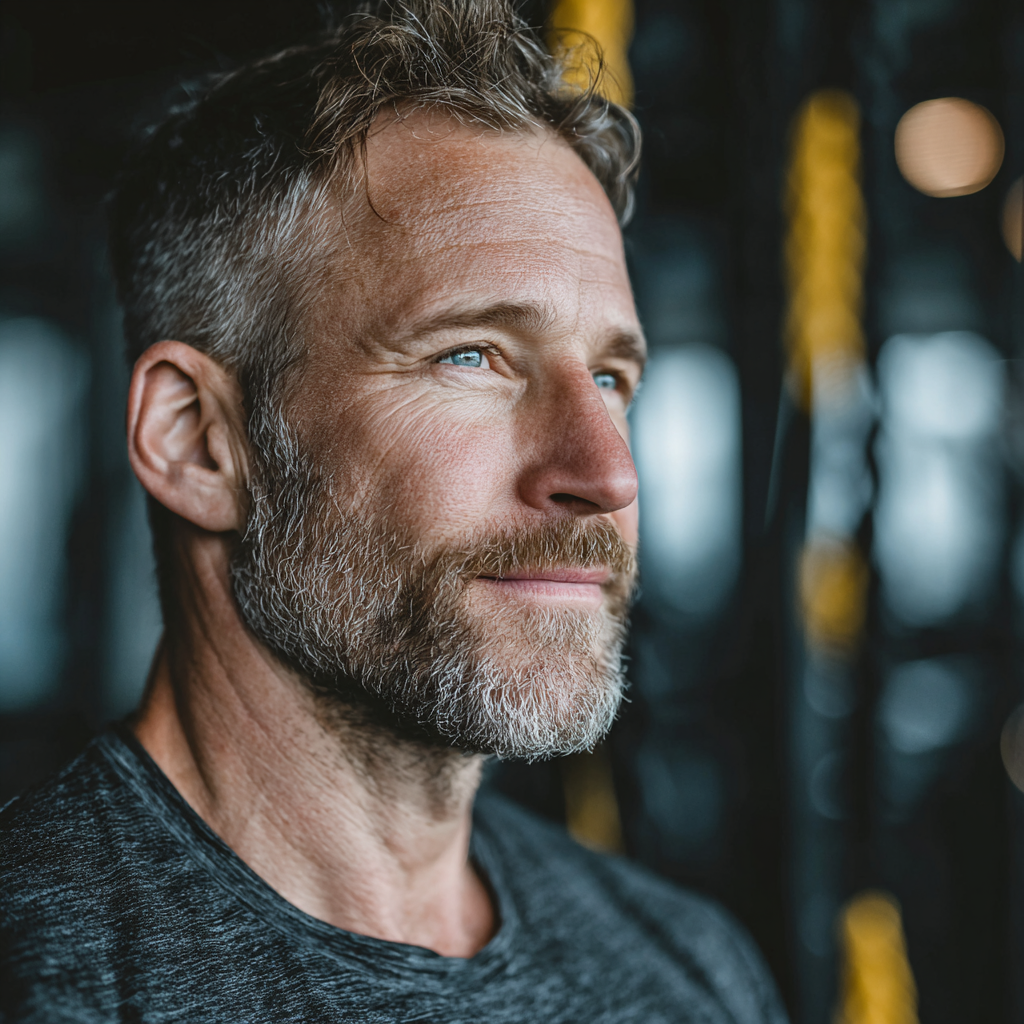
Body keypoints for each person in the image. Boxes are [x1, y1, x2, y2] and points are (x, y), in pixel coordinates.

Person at [0, 2, 787, 1020]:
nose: (608, 474)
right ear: (197, 440)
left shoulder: (689, 966)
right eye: (471, 356)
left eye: (609, 377)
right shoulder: (43, 975)